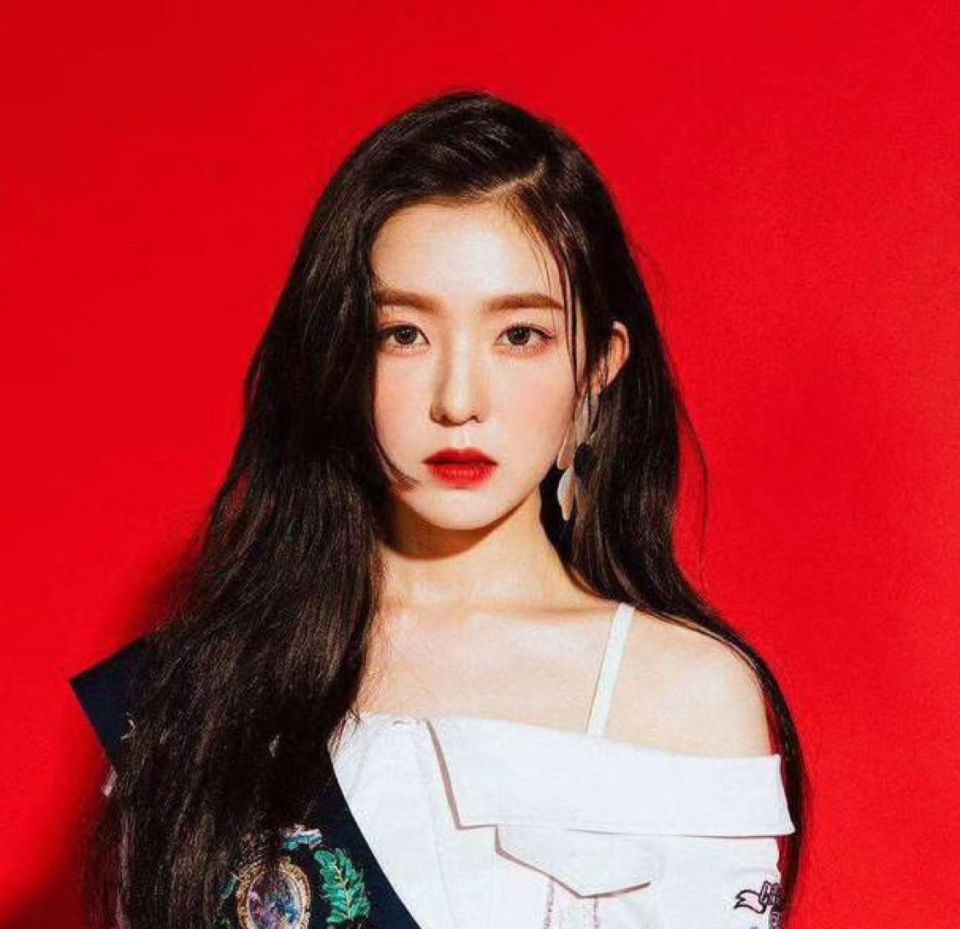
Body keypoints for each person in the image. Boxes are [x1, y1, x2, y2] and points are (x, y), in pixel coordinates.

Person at [71, 89, 806, 929]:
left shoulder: (685, 693)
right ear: (340, 362)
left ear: (596, 372)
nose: (459, 400)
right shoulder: (199, 690)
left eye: (520, 335)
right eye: (404, 334)